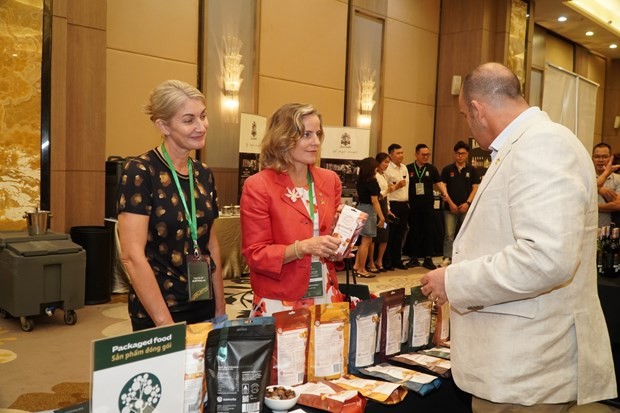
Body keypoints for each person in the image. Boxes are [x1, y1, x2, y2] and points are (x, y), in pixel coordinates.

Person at [421, 62, 616, 411]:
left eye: (466, 115)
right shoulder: (523, 145)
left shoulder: (542, 145)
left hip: (526, 367)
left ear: (478, 110)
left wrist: (454, 281)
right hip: (516, 361)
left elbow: (546, 258)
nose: (469, 124)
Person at [117, 79, 226, 331]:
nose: (201, 126)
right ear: (163, 125)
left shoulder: (204, 173)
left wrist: (219, 309)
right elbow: (132, 256)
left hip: (202, 301)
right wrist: (166, 324)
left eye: (203, 116)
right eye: (189, 120)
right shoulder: (141, 172)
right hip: (159, 309)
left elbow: (210, 243)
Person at [240, 103, 344, 317]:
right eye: (306, 135)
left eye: (318, 134)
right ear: (283, 139)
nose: (316, 142)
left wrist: (340, 244)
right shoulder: (259, 185)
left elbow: (330, 237)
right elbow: (256, 254)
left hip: (325, 290)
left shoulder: (329, 180)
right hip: (280, 298)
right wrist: (303, 247)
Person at [405, 144, 449, 270]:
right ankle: (413, 257)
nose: (426, 157)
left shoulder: (431, 168)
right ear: (416, 154)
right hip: (412, 205)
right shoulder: (408, 168)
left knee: (429, 231)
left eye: (427, 154)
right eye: (423, 154)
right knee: (414, 231)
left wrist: (445, 193)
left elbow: (439, 182)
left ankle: (428, 258)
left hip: (428, 205)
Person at [440, 140, 479, 267]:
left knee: (466, 233)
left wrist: (468, 203)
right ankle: (447, 257)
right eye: (458, 153)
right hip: (449, 208)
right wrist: (450, 203)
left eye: (462, 153)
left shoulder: (472, 170)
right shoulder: (447, 170)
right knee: (449, 234)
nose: (460, 156)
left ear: (467, 154)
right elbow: (443, 188)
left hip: (466, 207)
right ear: (454, 154)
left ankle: (465, 257)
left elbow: (475, 188)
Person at [352, 157, 385, 278]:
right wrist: (382, 217)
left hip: (360, 207)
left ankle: (357, 265)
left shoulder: (360, 181)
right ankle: (361, 268)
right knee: (367, 241)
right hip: (369, 210)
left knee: (362, 241)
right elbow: (375, 201)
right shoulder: (372, 182)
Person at [383, 144, 409, 270]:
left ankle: (397, 260)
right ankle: (387, 261)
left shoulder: (404, 168)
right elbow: (385, 190)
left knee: (400, 234)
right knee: (391, 234)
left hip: (404, 204)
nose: (401, 156)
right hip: (393, 204)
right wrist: (388, 208)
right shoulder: (387, 169)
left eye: (402, 153)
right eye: (398, 153)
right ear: (391, 155)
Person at [369, 152, 395, 272]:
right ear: (378, 163)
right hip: (376, 208)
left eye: (388, 163)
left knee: (384, 235)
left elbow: (386, 196)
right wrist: (388, 189)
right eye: (385, 162)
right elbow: (378, 196)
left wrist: (388, 209)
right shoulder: (374, 176)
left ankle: (379, 261)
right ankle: (371, 262)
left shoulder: (384, 175)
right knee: (374, 236)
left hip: (384, 208)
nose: (386, 165)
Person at [592, 142, 620, 226]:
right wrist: (599, 189)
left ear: (610, 158)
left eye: (604, 157)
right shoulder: (585, 177)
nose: (600, 160)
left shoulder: (618, 179)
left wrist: (592, 207)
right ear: (592, 158)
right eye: (597, 157)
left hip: (609, 231)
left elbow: (617, 205)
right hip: (588, 227)